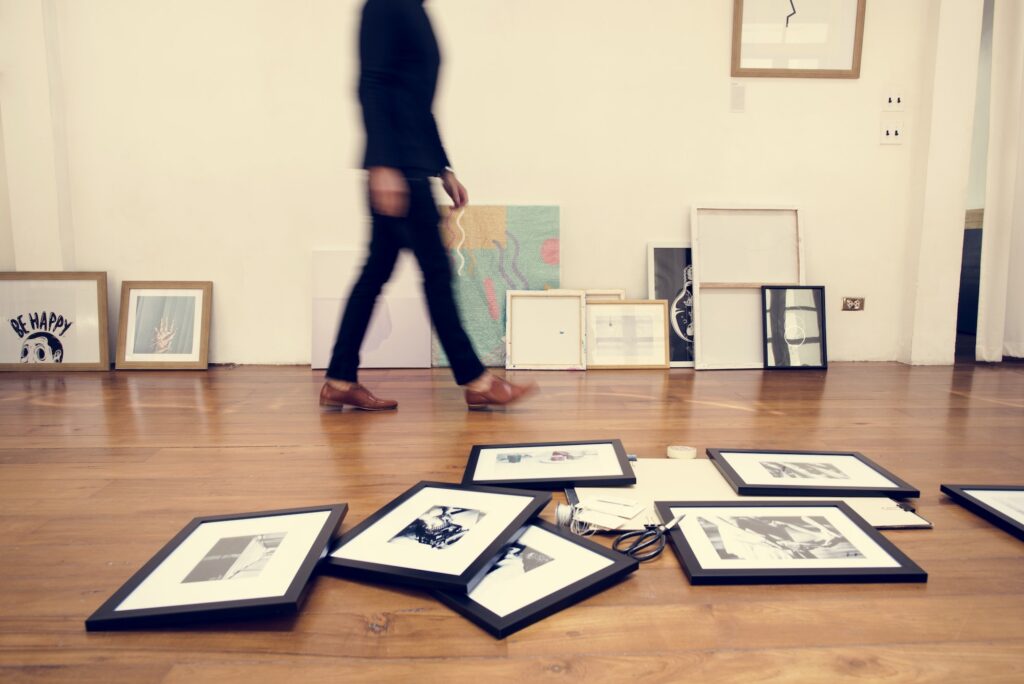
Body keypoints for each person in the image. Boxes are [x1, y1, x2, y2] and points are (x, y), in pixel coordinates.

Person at [320, 0, 536, 412]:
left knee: (376, 273)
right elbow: (373, 83)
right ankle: (475, 379)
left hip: (412, 165)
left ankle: (340, 379)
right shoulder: (385, 5)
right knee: (435, 273)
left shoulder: (413, 8)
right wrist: (383, 164)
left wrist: (443, 168)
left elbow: (418, 104)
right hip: (398, 169)